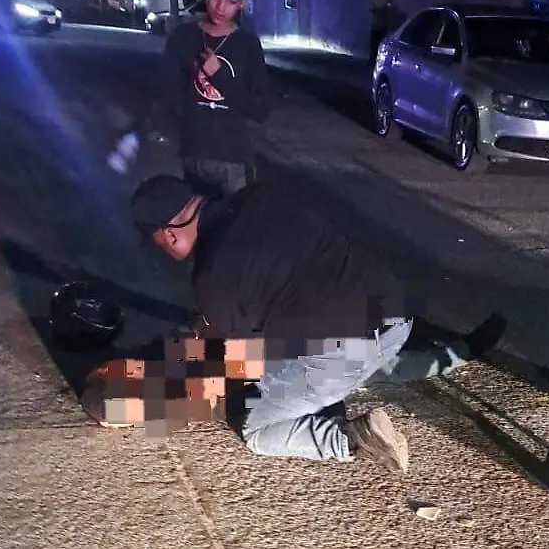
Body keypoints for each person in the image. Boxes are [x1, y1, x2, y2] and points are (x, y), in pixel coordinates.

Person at [129, 175, 507, 472]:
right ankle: (463, 349)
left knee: (254, 426)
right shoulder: (261, 197)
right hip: (396, 317)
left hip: (342, 351)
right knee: (370, 361)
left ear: (169, 234)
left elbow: (237, 359)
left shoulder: (212, 278)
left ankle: (348, 438)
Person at [155, 0, 271, 197]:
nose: (221, 7)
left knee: (236, 222)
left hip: (234, 161)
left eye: (232, 1)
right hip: (193, 156)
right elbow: (168, 94)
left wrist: (219, 77)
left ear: (242, 3)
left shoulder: (248, 45)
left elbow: (260, 110)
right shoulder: (184, 38)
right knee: (196, 221)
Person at [369, 0, 405, 69]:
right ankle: (373, 65)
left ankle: (374, 65)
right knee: (376, 47)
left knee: (377, 47)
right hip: (379, 25)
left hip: (381, 25)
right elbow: (378, 7)